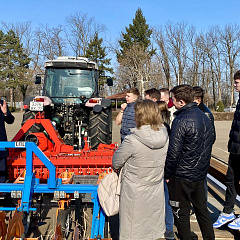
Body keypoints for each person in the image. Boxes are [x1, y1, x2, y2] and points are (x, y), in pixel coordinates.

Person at [112, 100, 169, 240]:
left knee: (133, 230)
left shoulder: (132, 140)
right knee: (151, 228)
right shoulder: (165, 136)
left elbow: (116, 162)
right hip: (155, 187)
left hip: (134, 191)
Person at [165, 85, 215, 240]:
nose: (172, 103)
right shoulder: (204, 116)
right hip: (199, 174)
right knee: (202, 211)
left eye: (173, 100)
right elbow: (211, 139)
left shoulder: (181, 120)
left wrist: (167, 174)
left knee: (181, 215)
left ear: (181, 101)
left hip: (182, 176)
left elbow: (174, 152)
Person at [213, 70, 240, 230]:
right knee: (230, 181)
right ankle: (228, 211)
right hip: (235, 150)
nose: (234, 85)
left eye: (237, 82)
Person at [156, 101, 174, 240]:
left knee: (163, 199)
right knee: (165, 199)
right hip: (164, 168)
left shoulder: (161, 129)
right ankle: (168, 229)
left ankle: (167, 228)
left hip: (159, 168)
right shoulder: (167, 127)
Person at [0, 99, 15, 183]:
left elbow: (10, 120)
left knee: (2, 173)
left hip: (1, 145)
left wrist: (5, 113)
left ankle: (3, 192)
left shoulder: (2, 104)